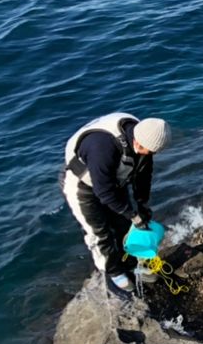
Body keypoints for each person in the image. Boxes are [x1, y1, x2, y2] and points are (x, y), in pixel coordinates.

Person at [61, 112, 170, 294]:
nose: (151, 155)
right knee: (99, 232)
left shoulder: (145, 137)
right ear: (138, 142)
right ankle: (113, 273)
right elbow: (104, 192)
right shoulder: (102, 147)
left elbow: (143, 176)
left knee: (124, 225)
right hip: (82, 185)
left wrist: (142, 205)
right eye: (150, 152)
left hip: (114, 179)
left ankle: (131, 263)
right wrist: (133, 214)